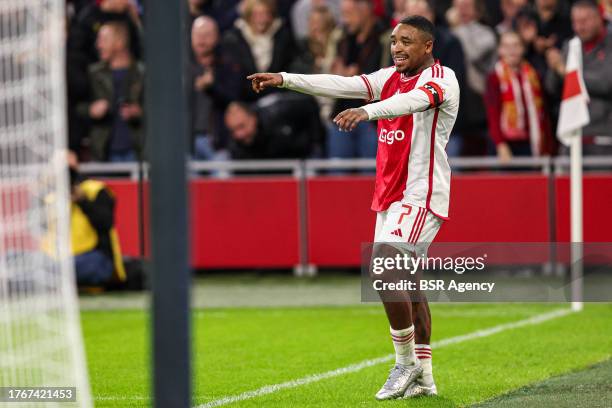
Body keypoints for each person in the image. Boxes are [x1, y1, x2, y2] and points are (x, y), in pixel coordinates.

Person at [248, 15, 460, 399]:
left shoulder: (443, 80)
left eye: (407, 41)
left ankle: (406, 364)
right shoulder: (386, 78)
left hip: (420, 194)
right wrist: (285, 78)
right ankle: (424, 377)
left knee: (384, 264)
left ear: (428, 46)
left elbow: (413, 101)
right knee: (407, 282)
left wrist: (368, 111)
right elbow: (343, 84)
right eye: (394, 40)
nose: (397, 47)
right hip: (389, 196)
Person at [545, 0, 612, 155]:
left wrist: (567, 73)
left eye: (584, 21)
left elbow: (606, 83)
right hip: (572, 134)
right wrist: (553, 68)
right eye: (575, 22)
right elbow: (552, 88)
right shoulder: (570, 45)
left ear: (598, 18)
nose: (579, 27)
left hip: (604, 136)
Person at [326, 0, 386, 160]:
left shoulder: (385, 38)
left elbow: (388, 77)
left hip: (372, 119)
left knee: (372, 174)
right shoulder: (342, 38)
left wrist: (355, 78)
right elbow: (333, 70)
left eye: (349, 14)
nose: (345, 20)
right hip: (341, 116)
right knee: (337, 174)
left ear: (365, 10)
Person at [77, 22, 144, 162]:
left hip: (137, 152)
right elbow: (76, 108)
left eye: (103, 40)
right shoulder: (93, 74)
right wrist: (91, 110)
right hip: (104, 153)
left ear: (119, 42)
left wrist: (139, 112)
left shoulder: (142, 73)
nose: (98, 45)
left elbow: (159, 110)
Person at [485, 31, 553, 161]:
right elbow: (492, 113)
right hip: (505, 143)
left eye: (516, 45)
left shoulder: (533, 75)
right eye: (507, 46)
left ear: (523, 48)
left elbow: (544, 114)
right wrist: (500, 144)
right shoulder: (494, 77)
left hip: (531, 142)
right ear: (500, 50)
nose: (512, 50)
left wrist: (547, 147)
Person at [67, 152, 126, 287]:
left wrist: (83, 202)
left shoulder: (95, 190)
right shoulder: (49, 194)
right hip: (57, 257)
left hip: (94, 257)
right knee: (14, 257)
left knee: (68, 266)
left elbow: (106, 223)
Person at [221, 0, 295, 102]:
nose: (262, 19)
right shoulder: (233, 39)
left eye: (266, 13)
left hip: (277, 98)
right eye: (257, 14)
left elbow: (289, 69)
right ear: (249, 16)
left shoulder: (283, 37)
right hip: (245, 100)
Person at [189, 16, 239, 159]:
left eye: (207, 35)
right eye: (198, 35)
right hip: (186, 142)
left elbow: (235, 99)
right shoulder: (181, 68)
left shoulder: (228, 64)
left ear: (217, 37)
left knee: (222, 179)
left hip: (218, 141)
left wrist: (212, 87)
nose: (202, 39)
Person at [225, 94, 322, 159]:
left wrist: (315, 142)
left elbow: (310, 103)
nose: (239, 134)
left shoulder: (279, 109)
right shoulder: (236, 144)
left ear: (253, 118)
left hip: (304, 155)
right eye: (233, 130)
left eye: (241, 126)